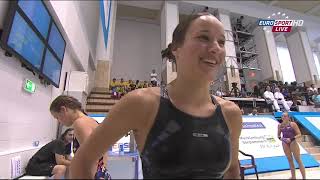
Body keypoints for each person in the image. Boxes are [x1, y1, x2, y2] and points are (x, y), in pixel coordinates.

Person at [70, 12, 242, 179]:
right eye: (204, 38)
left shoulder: (231, 114)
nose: (216, 48)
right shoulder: (142, 103)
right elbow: (83, 161)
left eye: (221, 42)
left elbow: (233, 170)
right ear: (176, 49)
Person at [50, 95, 111, 179]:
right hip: (101, 174)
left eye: (57, 117)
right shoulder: (92, 121)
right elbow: (104, 152)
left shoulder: (80, 123)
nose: (59, 121)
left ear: (63, 110)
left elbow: (91, 157)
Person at [278, 112, 306, 179]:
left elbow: (299, 134)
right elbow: (278, 136)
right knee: (290, 160)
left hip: (292, 141)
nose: (283, 117)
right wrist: (282, 139)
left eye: (285, 116)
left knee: (298, 160)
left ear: (288, 117)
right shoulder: (279, 125)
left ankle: (304, 177)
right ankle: (293, 177)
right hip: (285, 142)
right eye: (282, 116)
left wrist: (291, 139)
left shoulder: (293, 124)